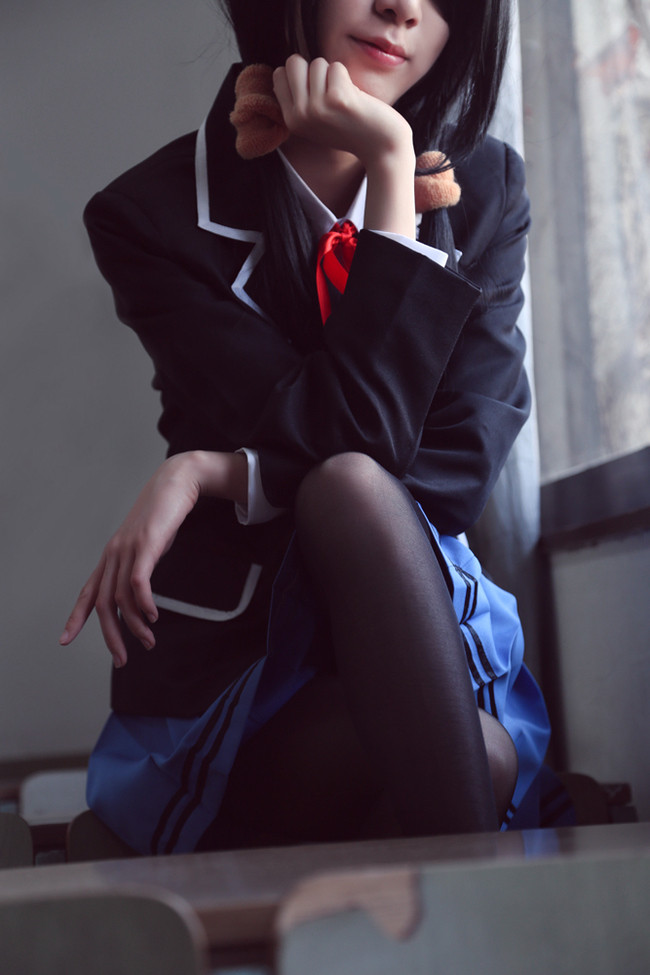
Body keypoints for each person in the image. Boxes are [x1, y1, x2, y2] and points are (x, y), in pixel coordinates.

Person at [60, 0, 552, 856]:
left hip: (426, 638)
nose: (404, 8)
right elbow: (358, 446)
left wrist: (214, 471)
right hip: (244, 682)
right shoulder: (149, 216)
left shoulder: (486, 189)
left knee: (471, 753)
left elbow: (461, 467)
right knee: (476, 754)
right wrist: (392, 169)